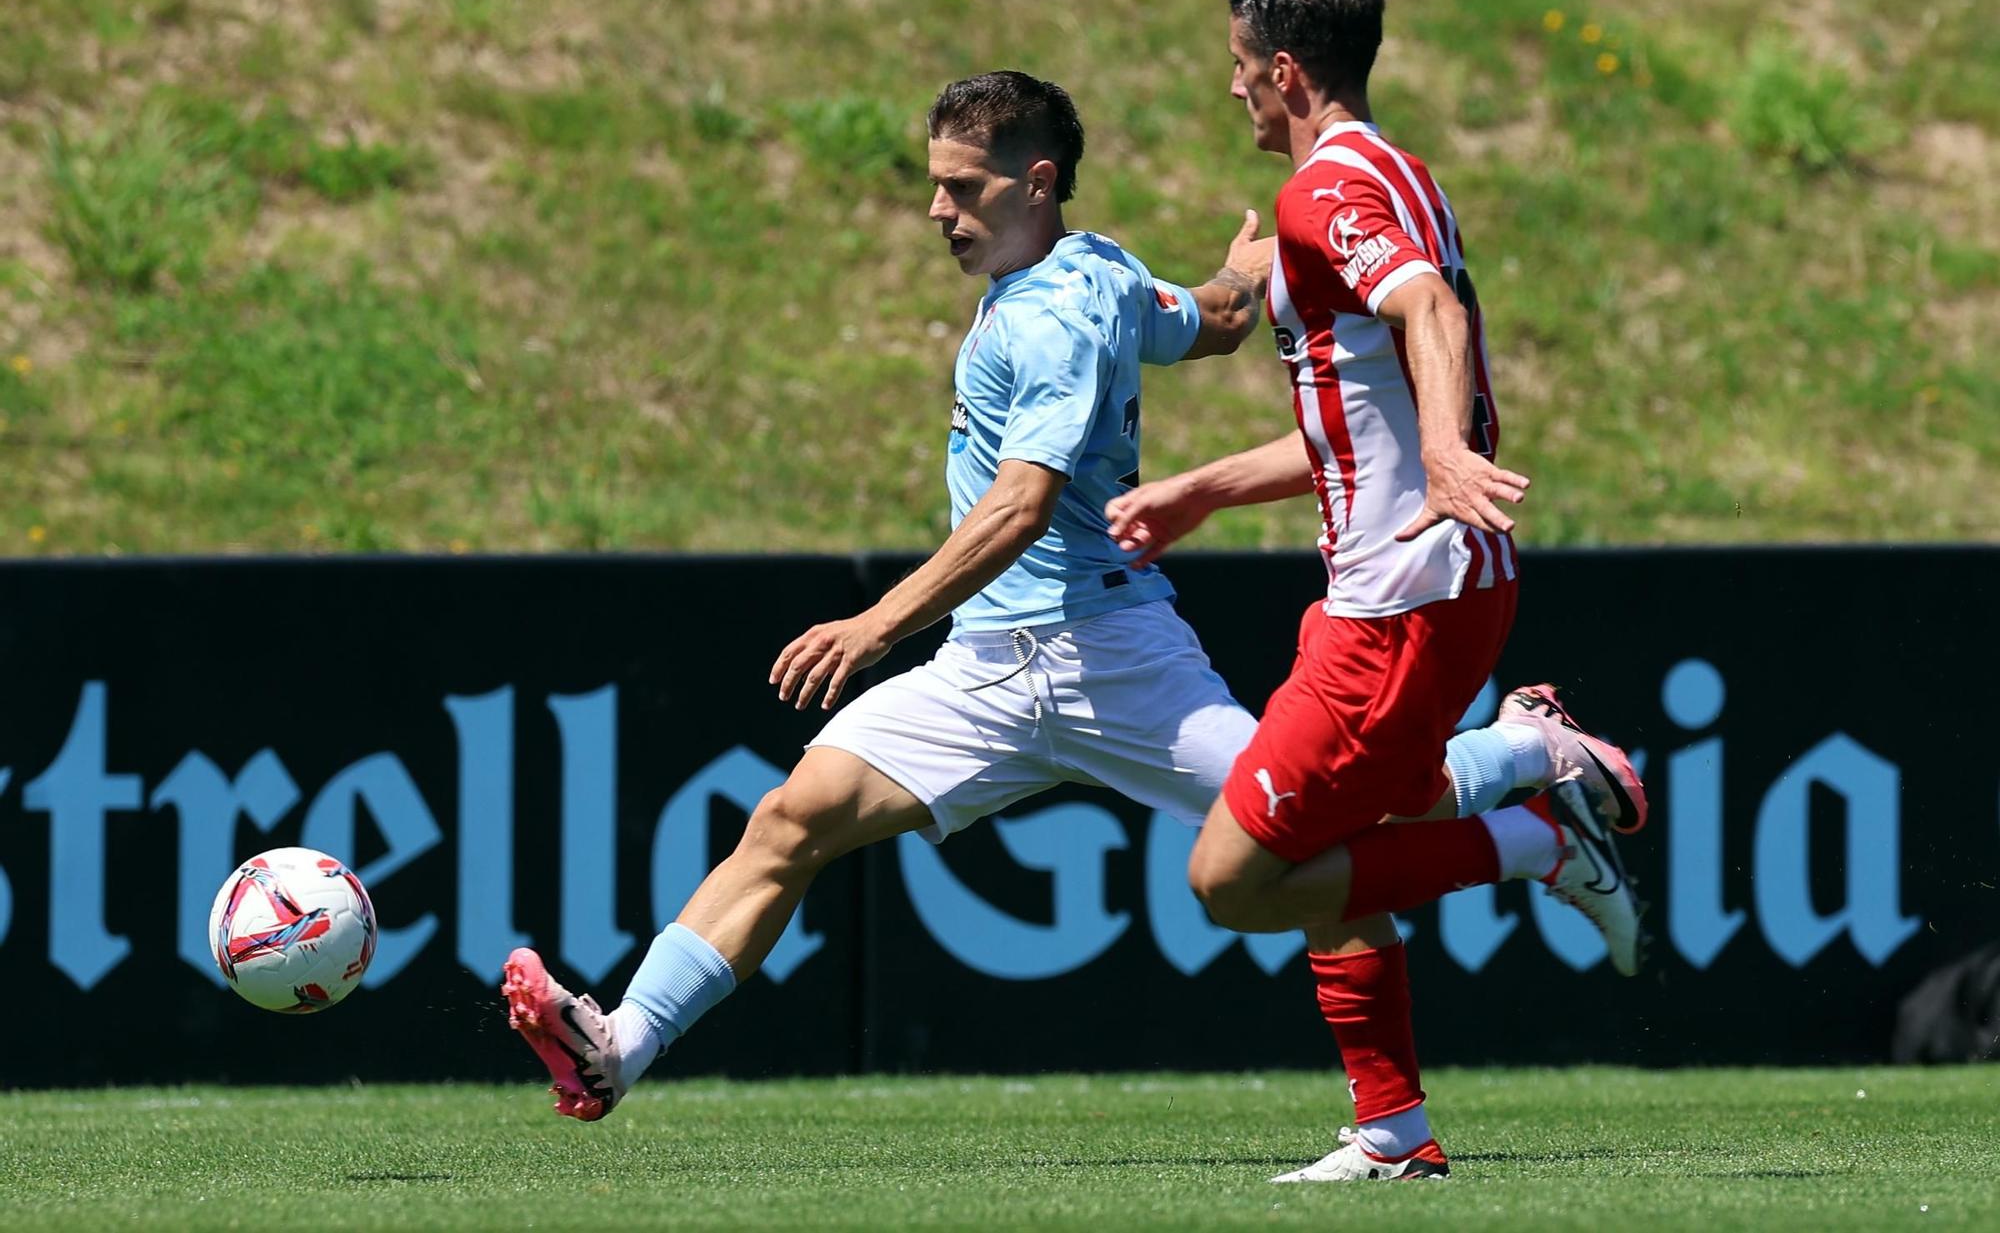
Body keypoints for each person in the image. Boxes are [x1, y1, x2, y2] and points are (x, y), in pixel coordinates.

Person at [499, 69, 1636, 1133]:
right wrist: (1239, 273)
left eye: (962, 186)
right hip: (988, 669)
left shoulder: (1050, 314)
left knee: (1318, 834)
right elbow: (1215, 319)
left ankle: (1522, 766)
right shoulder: (1095, 271)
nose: (936, 210)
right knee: (791, 823)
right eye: (931, 184)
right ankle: (620, 1046)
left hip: (1108, 654)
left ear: (1035, 181)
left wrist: (871, 625)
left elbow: (1020, 506)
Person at [1106, 0, 1648, 1183]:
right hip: (1432, 584)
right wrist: (1199, 488)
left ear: (1286, 71)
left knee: (1238, 877)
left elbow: (1427, 314)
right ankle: (1395, 1127)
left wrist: (1450, 457)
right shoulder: (1400, 168)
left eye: (1241, 71)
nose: (1232, 92)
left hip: (1396, 602)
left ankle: (1542, 838)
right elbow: (1360, 424)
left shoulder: (1319, 195)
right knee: (1364, 822)